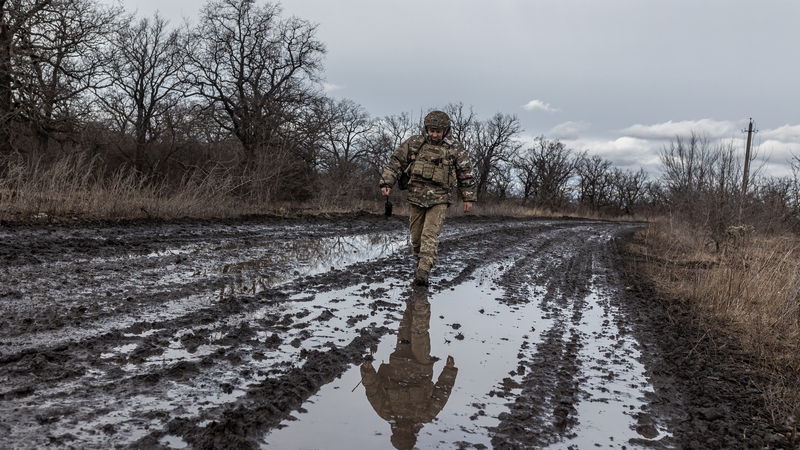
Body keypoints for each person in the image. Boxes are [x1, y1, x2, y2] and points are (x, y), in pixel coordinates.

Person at [379, 110, 477, 286]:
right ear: (426, 129)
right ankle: (420, 262)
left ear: (445, 130)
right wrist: (387, 183)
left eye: (438, 131)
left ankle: (423, 271)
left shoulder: (454, 147)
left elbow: (466, 173)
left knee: (429, 235)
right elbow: (395, 162)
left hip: (439, 199)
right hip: (416, 196)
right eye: (432, 130)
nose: (434, 134)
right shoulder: (415, 143)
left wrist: (467, 198)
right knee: (416, 238)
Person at [360, 290, 457, 450]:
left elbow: (373, 391)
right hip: (421, 365)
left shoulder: (386, 412)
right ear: (412, 433)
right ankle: (421, 297)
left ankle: (414, 295)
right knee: (419, 333)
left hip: (399, 360)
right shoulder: (426, 415)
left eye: (400, 432)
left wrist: (367, 371)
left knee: (405, 326)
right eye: (406, 433)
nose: (403, 429)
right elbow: (441, 394)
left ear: (395, 431)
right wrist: (448, 371)